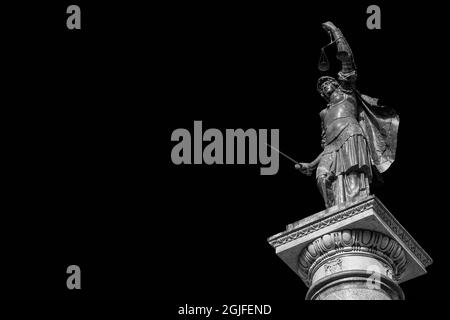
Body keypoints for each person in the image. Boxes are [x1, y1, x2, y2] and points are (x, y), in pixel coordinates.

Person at [296, 21, 399, 208]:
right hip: (332, 147)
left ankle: (352, 209)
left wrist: (336, 32)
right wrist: (311, 165)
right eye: (321, 87)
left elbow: (347, 59)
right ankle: (333, 212)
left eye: (327, 82)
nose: (325, 86)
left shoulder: (346, 91)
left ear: (335, 83)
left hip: (351, 135)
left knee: (353, 181)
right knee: (322, 178)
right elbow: (326, 144)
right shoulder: (323, 114)